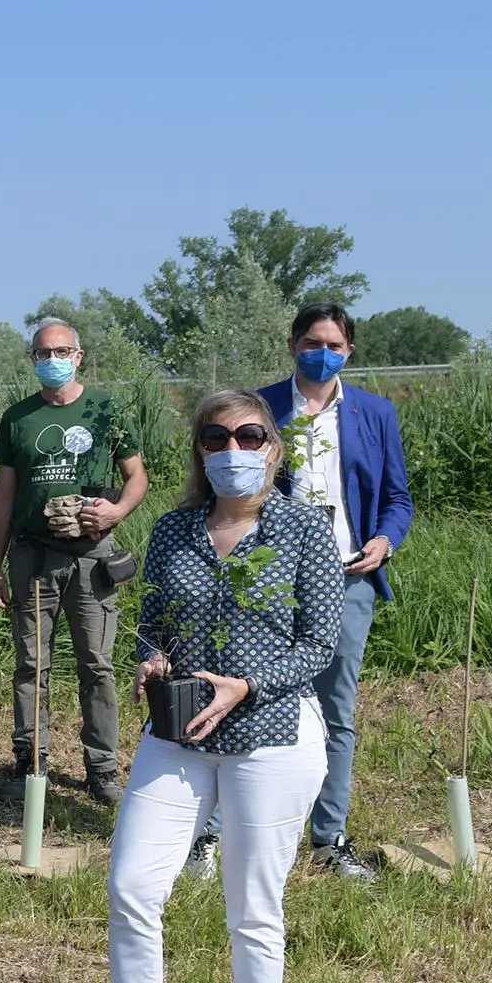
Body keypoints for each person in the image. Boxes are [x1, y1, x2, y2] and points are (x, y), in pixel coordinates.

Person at [93, 389, 342, 983]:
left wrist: (247, 685)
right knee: (133, 886)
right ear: (199, 451)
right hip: (178, 737)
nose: (233, 447)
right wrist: (151, 662)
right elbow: (151, 627)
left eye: (249, 434)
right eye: (216, 436)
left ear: (272, 445)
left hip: (271, 738)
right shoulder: (173, 531)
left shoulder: (303, 530)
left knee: (252, 909)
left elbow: (319, 644)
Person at [185, 304, 413, 884]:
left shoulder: (374, 413)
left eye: (333, 344)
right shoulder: (262, 409)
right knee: (243, 695)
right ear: (292, 345)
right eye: (312, 341)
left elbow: (397, 497)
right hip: (266, 579)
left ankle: (328, 837)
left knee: (336, 709)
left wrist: (384, 540)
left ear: (349, 351)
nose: (323, 351)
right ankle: (211, 834)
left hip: (348, 575)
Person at [0, 321, 150, 804]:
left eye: (61, 351)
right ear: (33, 359)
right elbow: (4, 496)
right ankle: (29, 760)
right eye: (42, 353)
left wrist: (117, 509)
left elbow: (137, 475)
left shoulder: (106, 407)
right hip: (33, 554)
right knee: (31, 663)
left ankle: (101, 767)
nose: (52, 359)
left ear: (79, 356)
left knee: (96, 665)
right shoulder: (18, 417)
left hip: (91, 556)